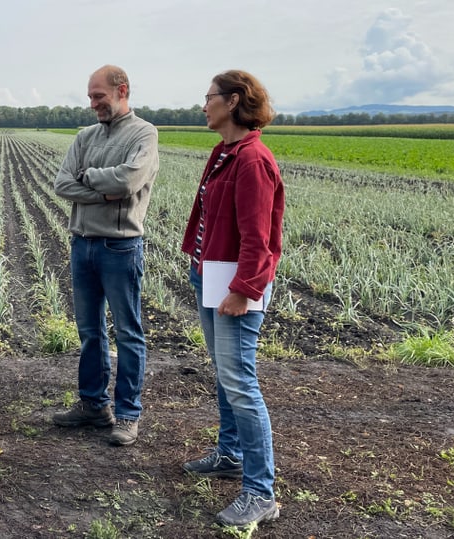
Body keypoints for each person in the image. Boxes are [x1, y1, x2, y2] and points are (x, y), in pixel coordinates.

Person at [179, 70, 285, 527]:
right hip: (212, 275)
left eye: (209, 98)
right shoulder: (225, 152)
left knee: (240, 382)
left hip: (234, 285)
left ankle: (261, 492)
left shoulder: (252, 159)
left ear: (234, 100)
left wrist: (245, 290)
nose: (203, 105)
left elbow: (260, 239)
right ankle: (230, 453)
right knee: (225, 375)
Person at [52, 65, 160, 446]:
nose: (93, 104)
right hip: (82, 243)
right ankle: (94, 405)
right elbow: (62, 183)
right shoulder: (85, 136)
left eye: (99, 96)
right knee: (90, 332)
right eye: (90, 97)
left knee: (128, 333)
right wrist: (103, 187)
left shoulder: (145, 133)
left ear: (122, 90)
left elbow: (130, 181)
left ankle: (128, 414)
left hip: (120, 246)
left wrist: (89, 177)